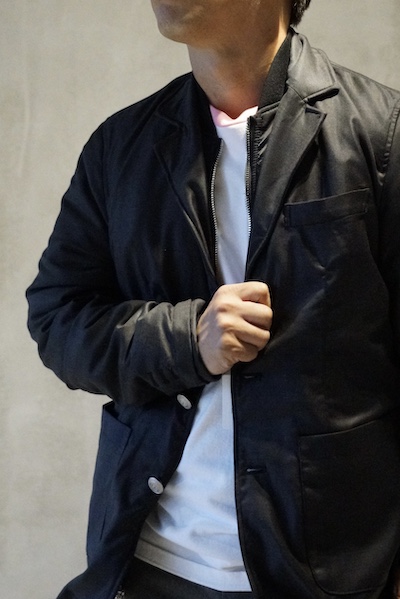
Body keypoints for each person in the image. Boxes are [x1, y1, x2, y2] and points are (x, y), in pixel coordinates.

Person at [26, 0, 400, 597]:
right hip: (147, 560)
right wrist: (187, 339)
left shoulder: (380, 133)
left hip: (329, 569)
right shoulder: (121, 146)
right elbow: (57, 318)